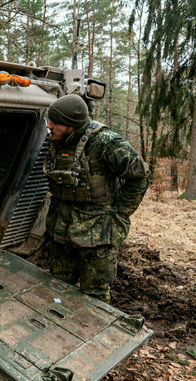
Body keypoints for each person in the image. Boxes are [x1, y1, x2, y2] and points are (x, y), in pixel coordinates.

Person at [43, 94, 149, 303]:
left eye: (55, 123)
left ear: (71, 126)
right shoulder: (58, 139)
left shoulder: (106, 143)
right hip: (61, 229)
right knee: (58, 286)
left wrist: (120, 214)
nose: (49, 126)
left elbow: (140, 176)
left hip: (97, 234)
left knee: (95, 293)